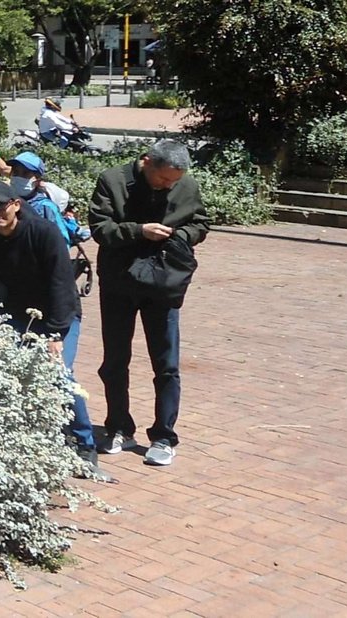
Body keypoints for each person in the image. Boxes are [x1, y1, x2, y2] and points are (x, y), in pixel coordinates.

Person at [0, 181, 104, 478]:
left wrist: (55, 334)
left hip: (59, 316)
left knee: (58, 374)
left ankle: (84, 442)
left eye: (1, 206)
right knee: (5, 372)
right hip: (18, 316)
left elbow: (61, 285)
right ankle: (32, 438)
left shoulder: (43, 232)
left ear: (16, 204)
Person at [89, 140, 210, 466]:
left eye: (174, 180)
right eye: (163, 179)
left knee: (167, 363)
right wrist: (140, 231)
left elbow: (200, 223)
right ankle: (118, 426)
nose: (169, 185)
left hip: (164, 280)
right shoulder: (112, 180)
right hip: (120, 281)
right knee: (115, 359)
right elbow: (100, 229)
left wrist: (179, 236)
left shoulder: (184, 184)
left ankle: (164, 435)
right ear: (146, 162)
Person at [7, 151, 86, 245]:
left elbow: (61, 241)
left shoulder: (46, 207)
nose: (19, 177)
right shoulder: (5, 202)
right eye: (16, 172)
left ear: (37, 179)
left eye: (25, 173)